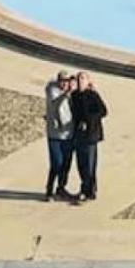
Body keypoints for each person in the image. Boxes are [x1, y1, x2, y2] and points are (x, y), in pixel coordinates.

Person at [69, 72, 107, 202]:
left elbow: (103, 111)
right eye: (78, 78)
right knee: (81, 163)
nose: (80, 81)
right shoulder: (74, 96)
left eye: (83, 78)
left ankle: (88, 191)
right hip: (79, 134)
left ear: (87, 81)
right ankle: (88, 188)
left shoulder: (93, 95)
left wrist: (89, 121)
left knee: (89, 164)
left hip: (91, 134)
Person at [43, 70, 76, 201]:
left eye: (66, 81)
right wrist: (66, 94)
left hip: (69, 133)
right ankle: (49, 189)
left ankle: (61, 187)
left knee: (66, 164)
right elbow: (55, 103)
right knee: (56, 163)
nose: (64, 84)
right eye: (62, 81)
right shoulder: (52, 90)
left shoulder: (72, 93)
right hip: (55, 134)